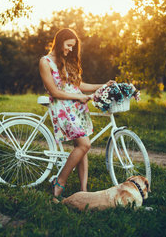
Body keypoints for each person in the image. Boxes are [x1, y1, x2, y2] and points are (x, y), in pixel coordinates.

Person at [39, 28, 114, 199]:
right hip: (63, 108)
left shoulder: (66, 61)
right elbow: (54, 92)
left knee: (82, 148)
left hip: (77, 108)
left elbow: (78, 85)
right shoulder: (45, 62)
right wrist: (78, 97)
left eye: (73, 47)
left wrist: (102, 85)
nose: (70, 50)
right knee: (84, 145)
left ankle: (83, 191)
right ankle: (60, 181)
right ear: (59, 42)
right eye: (68, 45)